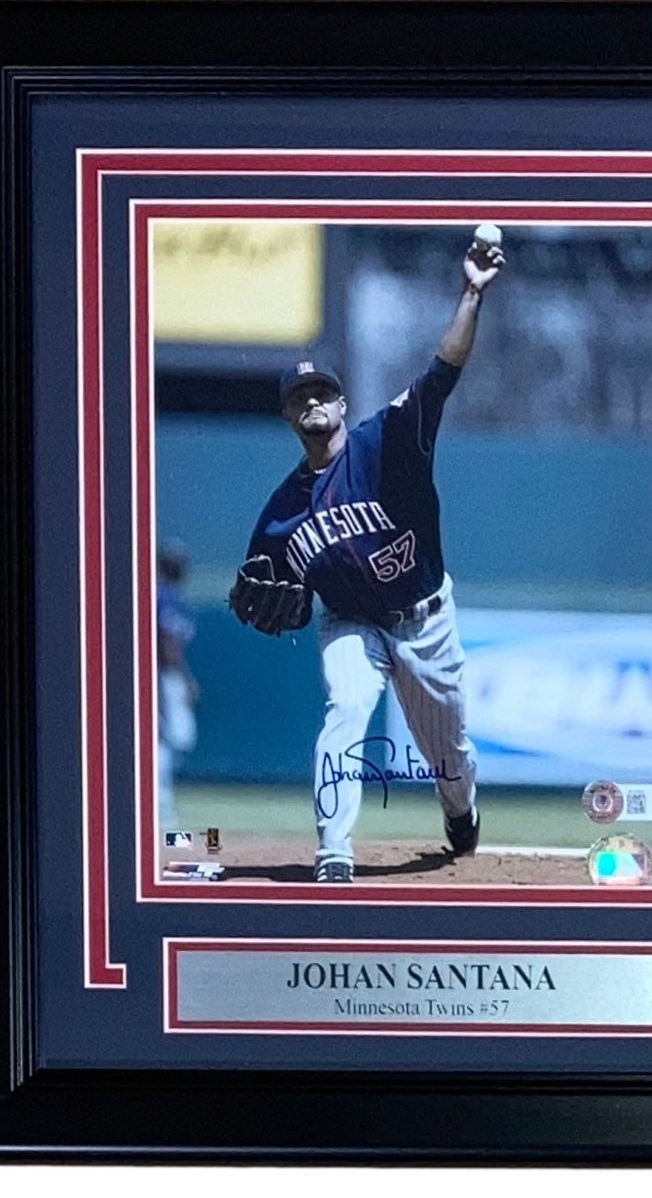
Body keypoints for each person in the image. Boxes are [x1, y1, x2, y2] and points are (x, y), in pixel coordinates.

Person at [237, 236, 505, 882]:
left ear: (341, 403)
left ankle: (460, 811)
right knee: (348, 707)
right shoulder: (279, 515)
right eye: (299, 397)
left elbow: (442, 371)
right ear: (288, 416)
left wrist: (471, 294)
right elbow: (262, 588)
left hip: (425, 620)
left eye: (321, 392)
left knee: (449, 755)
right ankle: (334, 850)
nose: (312, 401)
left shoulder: (385, 440)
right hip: (351, 623)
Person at [156, 540, 199, 831]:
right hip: (163, 675)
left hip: (165, 674)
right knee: (168, 739)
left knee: (177, 739)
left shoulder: (169, 596)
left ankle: (159, 802)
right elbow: (166, 643)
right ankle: (159, 805)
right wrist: (185, 678)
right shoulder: (165, 597)